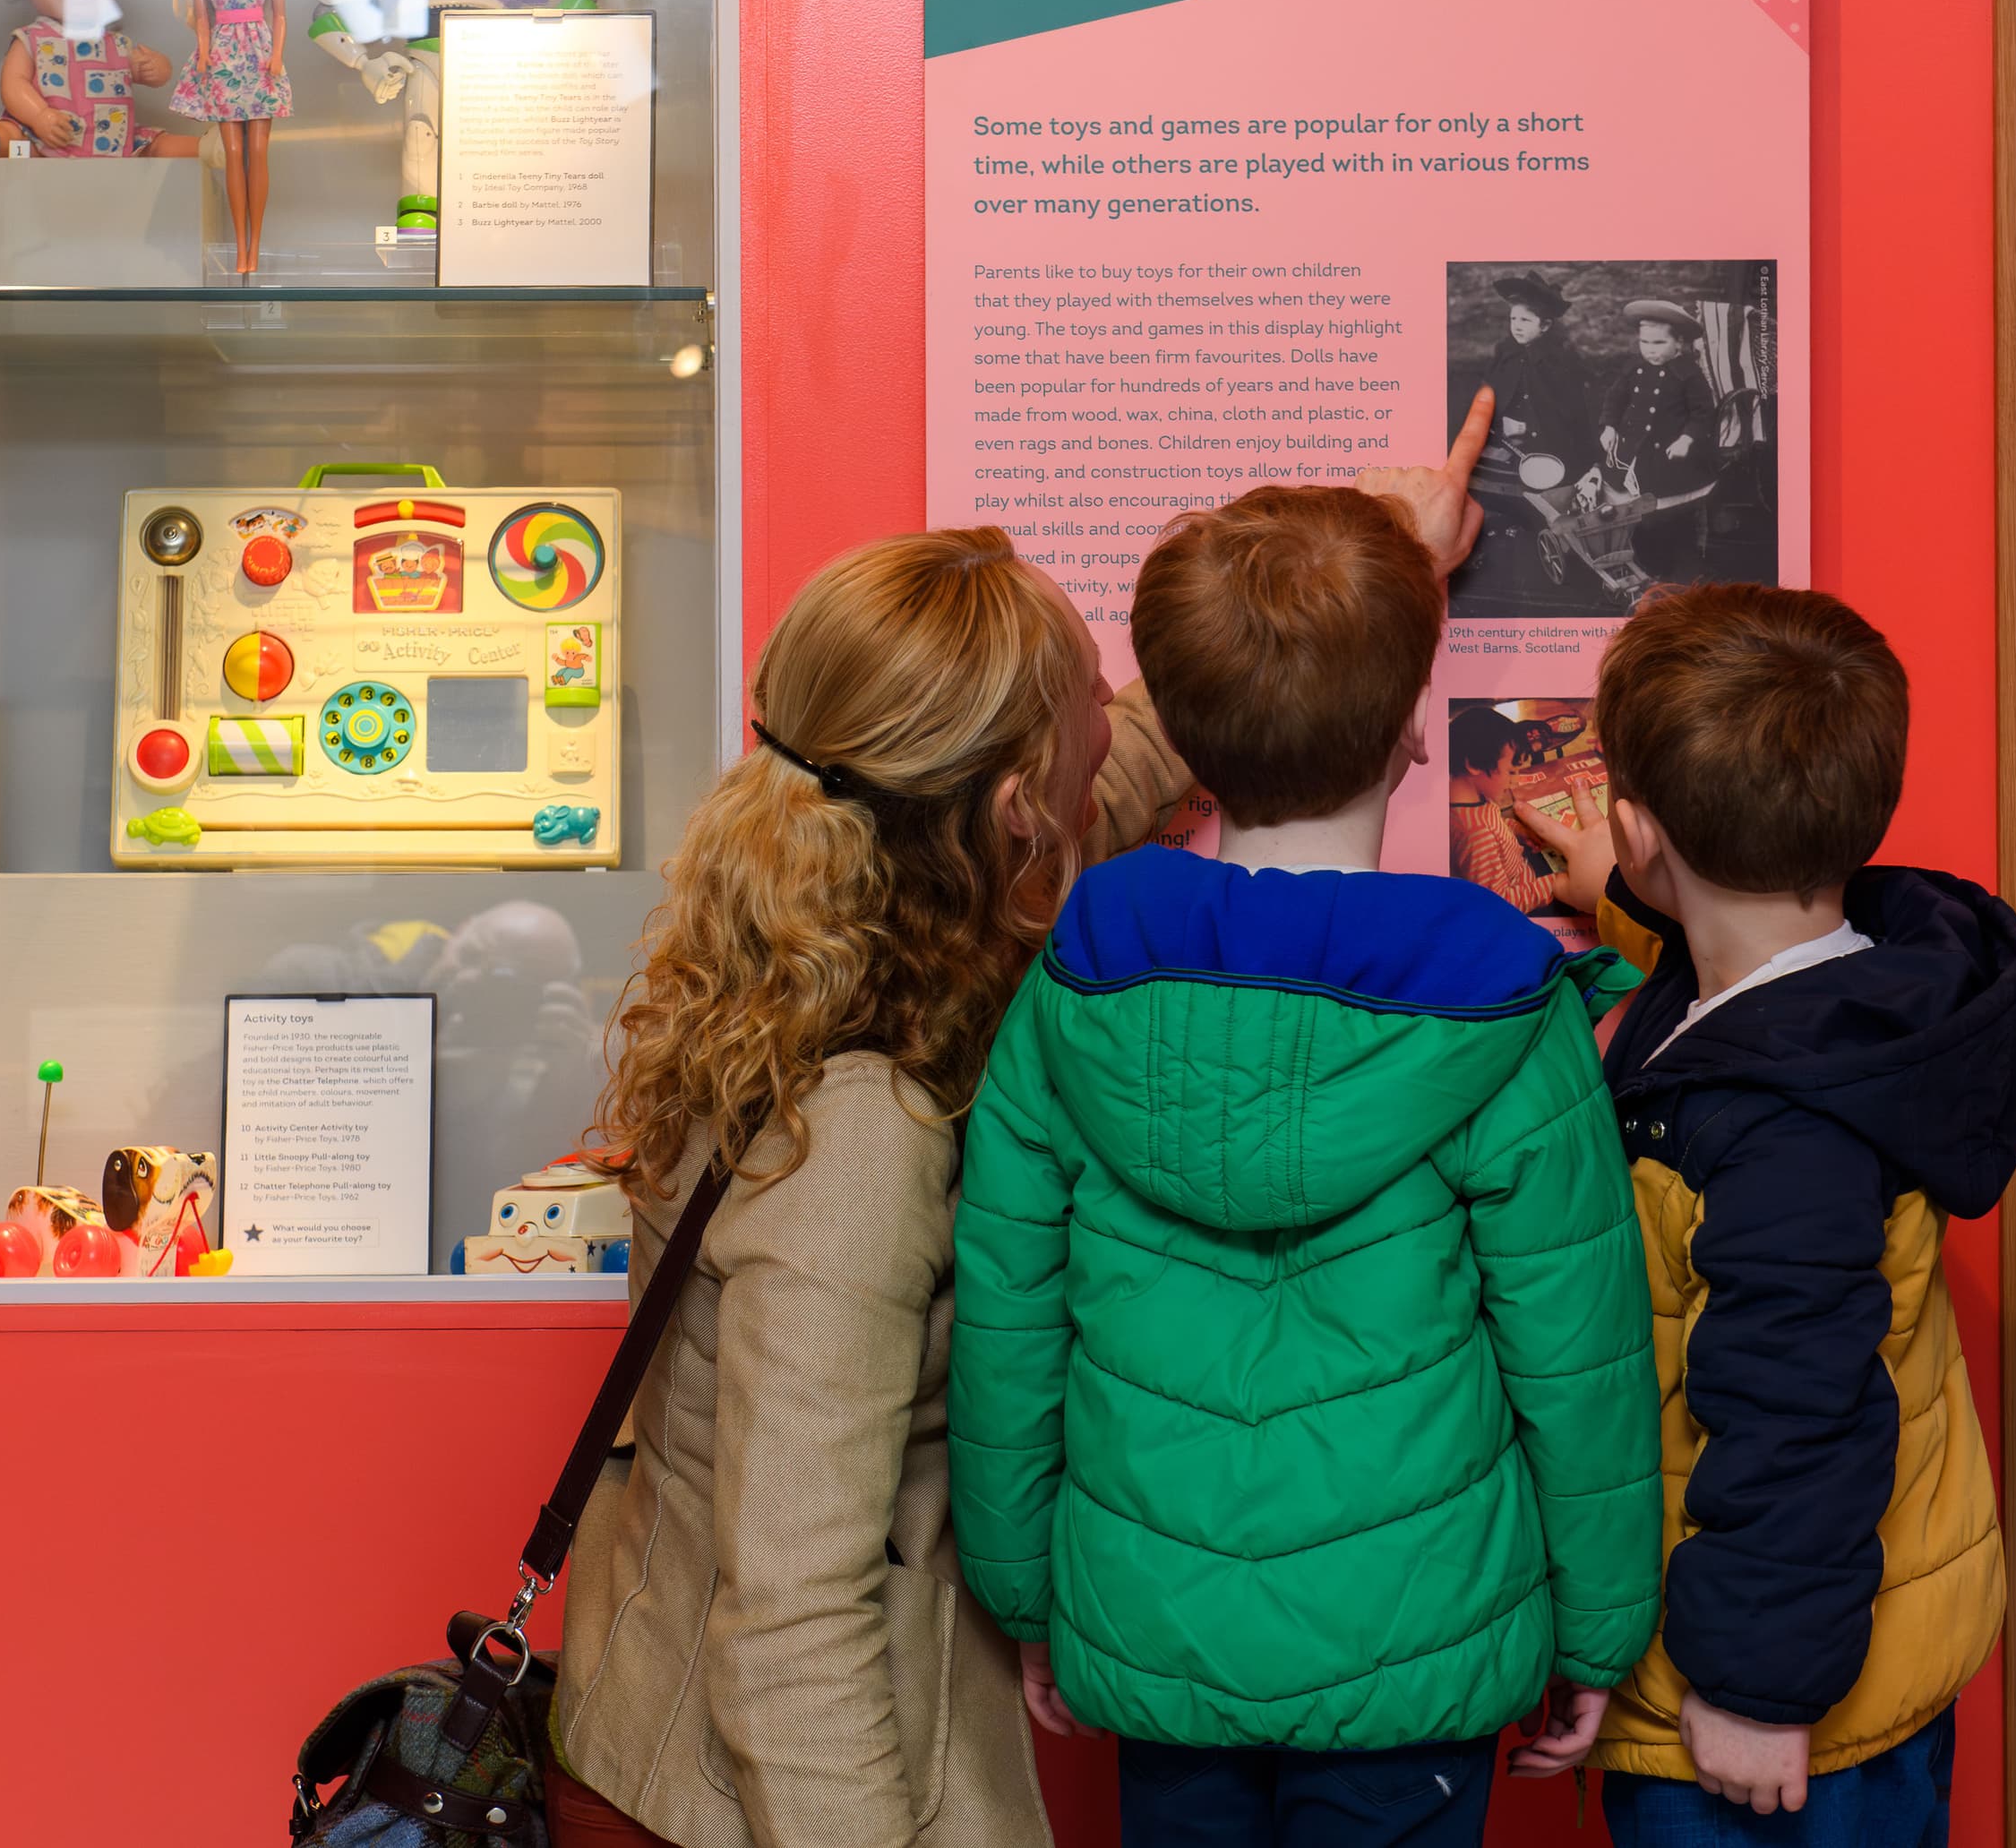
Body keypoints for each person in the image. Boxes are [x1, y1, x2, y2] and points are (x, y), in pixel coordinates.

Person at [551, 395, 1507, 1848]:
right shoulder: (858, 1142)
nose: (1099, 748)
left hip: (655, 1733)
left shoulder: (806, 940)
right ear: (1011, 812)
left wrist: (1375, 569)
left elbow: (1146, 744)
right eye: (1071, 724)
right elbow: (795, 1629)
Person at [950, 482, 1661, 1848]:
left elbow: (1007, 1326)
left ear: (1182, 741)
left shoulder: (1074, 984)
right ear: (1408, 737)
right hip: (1422, 1626)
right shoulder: (1503, 1009)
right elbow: (1578, 1360)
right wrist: (1600, 1626)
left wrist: (1029, 1593)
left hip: (1159, 1622)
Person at [1519, 583, 2016, 1841]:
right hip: (1842, 1646)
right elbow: (1733, 978)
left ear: (1640, 826)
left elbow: (1797, 1404)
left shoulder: (1782, 1129)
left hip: (1772, 1701)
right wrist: (1633, 893)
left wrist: (1754, 1686)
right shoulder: (1844, 1007)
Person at [1448, 703, 1566, 915]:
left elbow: (1497, 823)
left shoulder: (1479, 799)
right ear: (1474, 764)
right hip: (1523, 900)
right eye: (1511, 771)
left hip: (1523, 867)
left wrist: (1519, 830)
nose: (1515, 781)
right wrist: (1556, 884)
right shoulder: (1477, 835)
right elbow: (1497, 904)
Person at [1596, 301, 1720, 494]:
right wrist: (1609, 427)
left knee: (1659, 492)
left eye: (1659, 343)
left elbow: (1702, 414)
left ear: (1678, 342)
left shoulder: (1688, 374)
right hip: (1630, 443)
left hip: (1667, 448)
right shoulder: (1634, 367)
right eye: (1644, 342)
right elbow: (1615, 398)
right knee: (1615, 487)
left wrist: (1686, 440)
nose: (1650, 350)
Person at [1482, 271, 1592, 460]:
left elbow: (1571, 413)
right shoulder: (1506, 354)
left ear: (1545, 326)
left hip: (1547, 445)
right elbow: (1488, 397)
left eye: (1525, 320)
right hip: (1505, 441)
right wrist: (1500, 424)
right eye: (1513, 319)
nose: (1516, 326)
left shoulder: (1559, 361)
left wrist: (1526, 427)